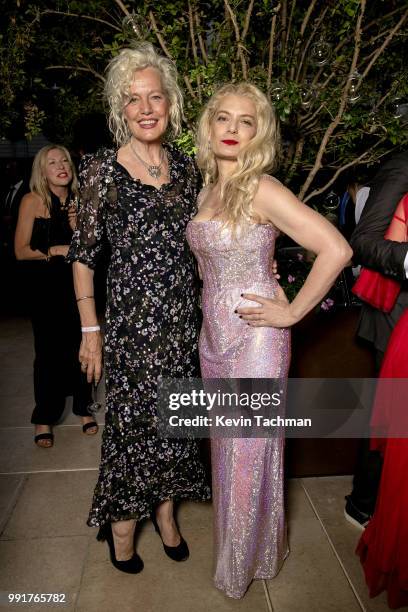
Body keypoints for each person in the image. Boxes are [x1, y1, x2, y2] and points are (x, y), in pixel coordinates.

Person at [186, 82, 352, 598]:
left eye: (246, 122)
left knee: (247, 453)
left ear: (258, 134)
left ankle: (238, 569)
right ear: (208, 126)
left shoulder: (263, 187)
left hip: (258, 338)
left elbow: (336, 248)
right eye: (224, 118)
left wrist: (293, 312)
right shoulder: (206, 189)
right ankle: (253, 550)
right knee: (228, 451)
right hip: (214, 337)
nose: (233, 130)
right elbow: (213, 265)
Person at [66, 43, 210, 574]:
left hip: (182, 324)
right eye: (133, 100)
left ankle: (166, 514)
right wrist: (90, 328)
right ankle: (123, 524)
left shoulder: (188, 169)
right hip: (130, 326)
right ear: (119, 109)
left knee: (176, 421)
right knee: (133, 426)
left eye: (155, 97)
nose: (146, 108)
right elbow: (83, 255)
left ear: (170, 103)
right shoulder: (103, 167)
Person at [14, 145, 96, 448]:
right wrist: (52, 250)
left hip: (77, 286)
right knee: (48, 353)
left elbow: (93, 249)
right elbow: (20, 250)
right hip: (45, 288)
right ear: (42, 171)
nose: (61, 166)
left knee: (83, 347)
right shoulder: (32, 201)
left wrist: (77, 228)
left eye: (65, 161)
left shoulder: (80, 202)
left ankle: (84, 409)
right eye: (53, 162)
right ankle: (44, 417)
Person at [345, 151, 408, 529]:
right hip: (396, 309)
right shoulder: (404, 165)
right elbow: (363, 241)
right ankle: (364, 503)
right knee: (392, 414)